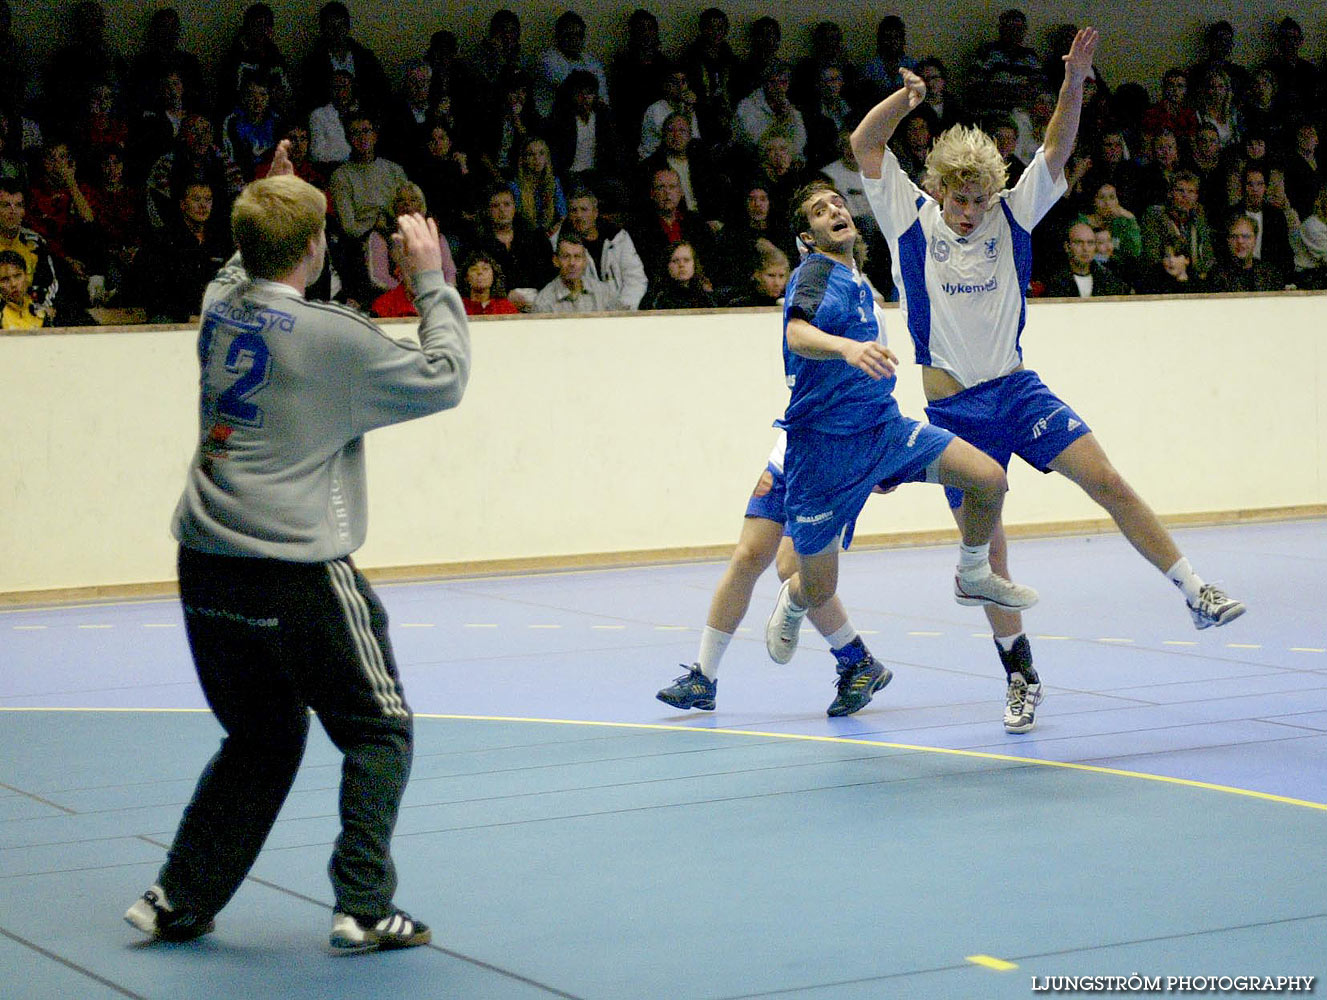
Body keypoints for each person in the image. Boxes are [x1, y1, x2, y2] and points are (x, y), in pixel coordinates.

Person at [123, 139, 470, 953]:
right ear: (316, 247)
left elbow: (241, 265)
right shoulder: (330, 336)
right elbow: (445, 375)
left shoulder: (221, 305)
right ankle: (362, 904)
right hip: (295, 568)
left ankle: (178, 896)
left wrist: (271, 189)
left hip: (204, 561)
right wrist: (430, 276)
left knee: (262, 737)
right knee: (379, 728)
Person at [852, 32, 1245, 734]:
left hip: (1016, 389)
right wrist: (905, 98)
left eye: (979, 197)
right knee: (989, 550)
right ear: (939, 189)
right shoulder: (909, 218)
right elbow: (865, 147)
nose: (969, 210)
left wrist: (1073, 80)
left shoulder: (1011, 213)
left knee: (1107, 481)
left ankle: (1194, 589)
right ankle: (1019, 675)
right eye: (959, 197)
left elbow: (1055, 150)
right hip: (953, 413)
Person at [763, 178, 1038, 718]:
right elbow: (796, 335)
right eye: (820, 211)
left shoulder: (861, 280)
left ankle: (974, 570)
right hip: (823, 450)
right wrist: (845, 348)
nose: (835, 211)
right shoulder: (815, 273)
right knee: (818, 585)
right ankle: (795, 599)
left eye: (838, 203)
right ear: (807, 236)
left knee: (987, 478)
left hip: (885, 431)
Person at [657, 431, 876, 713]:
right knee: (748, 556)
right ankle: (703, 678)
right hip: (786, 462)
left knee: (792, 568)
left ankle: (859, 661)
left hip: (829, 471)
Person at [555, 186, 647, 309]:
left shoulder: (619, 238)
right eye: (573, 210)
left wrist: (623, 308)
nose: (579, 216)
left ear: (595, 213)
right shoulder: (562, 246)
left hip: (624, 312)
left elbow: (635, 277)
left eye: (584, 209)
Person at [531, 231, 622, 313]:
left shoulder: (604, 293)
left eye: (577, 256)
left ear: (585, 261)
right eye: (566, 256)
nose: (572, 263)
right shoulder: (543, 302)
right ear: (556, 261)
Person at [1040, 220, 1132, 297]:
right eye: (1079, 243)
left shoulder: (1110, 281)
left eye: (1090, 243)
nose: (1085, 248)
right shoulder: (1053, 282)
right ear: (1067, 247)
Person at [641, 240, 714, 310]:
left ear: (694, 264)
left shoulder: (704, 296)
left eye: (686, 260)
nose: (681, 265)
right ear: (667, 266)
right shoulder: (656, 297)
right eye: (675, 261)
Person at [0, 248, 52, 328]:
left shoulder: (42, 312)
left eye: (17, 276)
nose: (13, 284)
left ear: (26, 276)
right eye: (5, 279)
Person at [457, 250, 518, 315]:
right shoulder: (457, 307)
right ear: (466, 277)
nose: (480, 272)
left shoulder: (506, 307)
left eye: (485, 268)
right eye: (474, 269)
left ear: (494, 276)